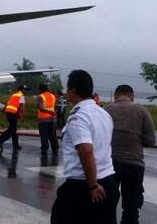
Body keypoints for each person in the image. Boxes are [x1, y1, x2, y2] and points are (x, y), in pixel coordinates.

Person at [51, 70, 119, 224]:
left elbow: (86, 150)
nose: (66, 93)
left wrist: (93, 185)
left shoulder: (79, 116)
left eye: (68, 89)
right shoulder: (103, 113)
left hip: (83, 186)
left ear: (73, 90)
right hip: (108, 183)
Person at [104, 85, 156, 224]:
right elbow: (151, 141)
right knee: (131, 207)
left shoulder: (105, 111)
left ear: (115, 96)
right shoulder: (142, 111)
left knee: (107, 205)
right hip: (134, 164)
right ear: (132, 96)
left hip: (109, 165)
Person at [0, 85, 28, 151]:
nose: (26, 91)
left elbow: (7, 104)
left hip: (9, 113)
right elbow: (22, 107)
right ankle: (0, 140)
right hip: (12, 113)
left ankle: (15, 145)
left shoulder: (14, 95)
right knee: (12, 129)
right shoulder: (21, 96)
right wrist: (22, 117)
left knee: (13, 129)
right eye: (25, 89)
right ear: (22, 89)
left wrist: (1, 112)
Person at [37, 84, 59, 155]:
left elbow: (40, 107)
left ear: (41, 89)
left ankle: (45, 148)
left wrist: (48, 111)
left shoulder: (40, 96)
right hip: (52, 119)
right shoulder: (53, 96)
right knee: (52, 134)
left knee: (44, 134)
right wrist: (54, 115)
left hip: (43, 119)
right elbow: (55, 107)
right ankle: (55, 147)